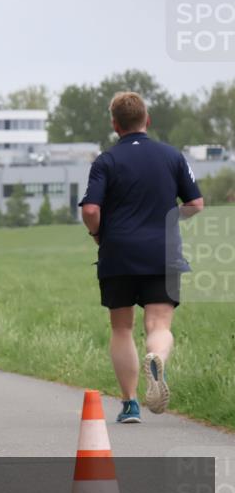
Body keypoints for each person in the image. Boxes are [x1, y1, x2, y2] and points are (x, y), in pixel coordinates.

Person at [79, 91, 203, 423]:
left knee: (121, 328)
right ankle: (155, 357)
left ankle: (131, 404)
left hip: (118, 252)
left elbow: (90, 209)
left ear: (114, 124)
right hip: (163, 252)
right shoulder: (172, 156)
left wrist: (98, 235)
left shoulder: (106, 161)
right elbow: (195, 204)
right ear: (147, 120)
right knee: (158, 324)